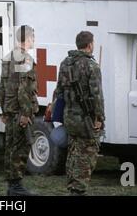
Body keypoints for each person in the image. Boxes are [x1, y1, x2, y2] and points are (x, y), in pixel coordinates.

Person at [55, 31, 105, 196]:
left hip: (69, 116)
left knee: (73, 151)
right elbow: (97, 95)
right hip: (86, 119)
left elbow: (59, 90)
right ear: (90, 45)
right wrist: (99, 118)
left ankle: (72, 186)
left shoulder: (65, 63)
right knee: (86, 154)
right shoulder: (92, 66)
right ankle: (78, 189)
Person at [0, 25, 39, 196]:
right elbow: (24, 89)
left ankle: (12, 185)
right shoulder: (25, 59)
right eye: (33, 38)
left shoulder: (9, 57)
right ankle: (16, 186)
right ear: (28, 39)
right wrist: (25, 113)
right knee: (20, 149)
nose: (33, 42)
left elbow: (2, 86)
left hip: (10, 111)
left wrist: (4, 110)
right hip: (19, 113)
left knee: (11, 148)